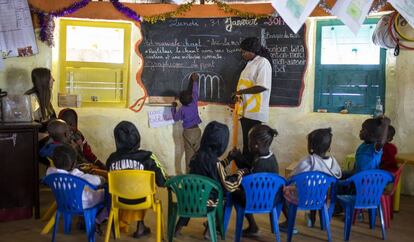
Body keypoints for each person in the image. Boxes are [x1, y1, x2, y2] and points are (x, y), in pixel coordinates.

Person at [174, 121, 245, 238]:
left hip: (190, 199)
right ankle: (209, 230)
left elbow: (213, 169)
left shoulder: (196, 156)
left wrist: (228, 159)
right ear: (222, 144)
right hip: (207, 204)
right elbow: (228, 185)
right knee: (223, 197)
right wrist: (240, 172)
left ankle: (177, 229)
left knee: (195, 192)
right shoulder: (215, 163)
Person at [106, 121, 167, 238]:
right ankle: (141, 225)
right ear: (137, 137)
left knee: (129, 188)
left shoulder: (111, 159)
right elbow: (162, 181)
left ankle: (137, 226)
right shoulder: (148, 157)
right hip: (143, 201)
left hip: (119, 201)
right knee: (145, 189)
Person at [284, 128, 342, 228]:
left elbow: (292, 177)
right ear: (329, 148)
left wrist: (287, 182)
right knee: (315, 189)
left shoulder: (308, 161)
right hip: (320, 197)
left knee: (284, 192)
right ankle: (313, 217)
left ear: (310, 147)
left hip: (303, 198)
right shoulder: (333, 163)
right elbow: (337, 176)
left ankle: (289, 222)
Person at [229, 124, 279, 237]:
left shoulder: (261, 162)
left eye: (249, 141)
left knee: (232, 192)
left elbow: (250, 183)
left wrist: (237, 182)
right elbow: (248, 168)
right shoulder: (268, 156)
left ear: (257, 144)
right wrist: (238, 157)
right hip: (271, 197)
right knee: (237, 189)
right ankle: (253, 227)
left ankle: (252, 226)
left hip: (259, 199)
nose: (248, 144)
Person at [235, 37, 273, 162]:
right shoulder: (250, 63)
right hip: (246, 111)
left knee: (254, 147)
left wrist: (240, 92)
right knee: (247, 146)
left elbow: (262, 86)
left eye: (244, 52)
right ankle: (246, 174)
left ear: (252, 51)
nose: (242, 54)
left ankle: (252, 174)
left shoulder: (263, 63)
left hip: (255, 113)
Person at [46, 144, 105, 209]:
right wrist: (103, 179)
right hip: (84, 204)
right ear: (74, 164)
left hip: (64, 203)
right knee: (106, 192)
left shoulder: (50, 173)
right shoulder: (77, 175)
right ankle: (101, 216)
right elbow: (97, 181)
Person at [171, 72, 202, 173]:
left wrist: (173, 107)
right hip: (196, 130)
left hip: (187, 132)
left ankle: (189, 176)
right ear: (191, 98)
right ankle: (200, 174)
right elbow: (195, 91)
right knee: (199, 154)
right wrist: (195, 81)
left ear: (181, 101)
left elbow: (175, 118)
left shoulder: (182, 109)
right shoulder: (194, 103)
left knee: (189, 156)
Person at [25, 67, 56, 133]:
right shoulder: (32, 99)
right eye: (50, 77)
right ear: (44, 81)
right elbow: (34, 126)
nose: (53, 80)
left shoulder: (46, 97)